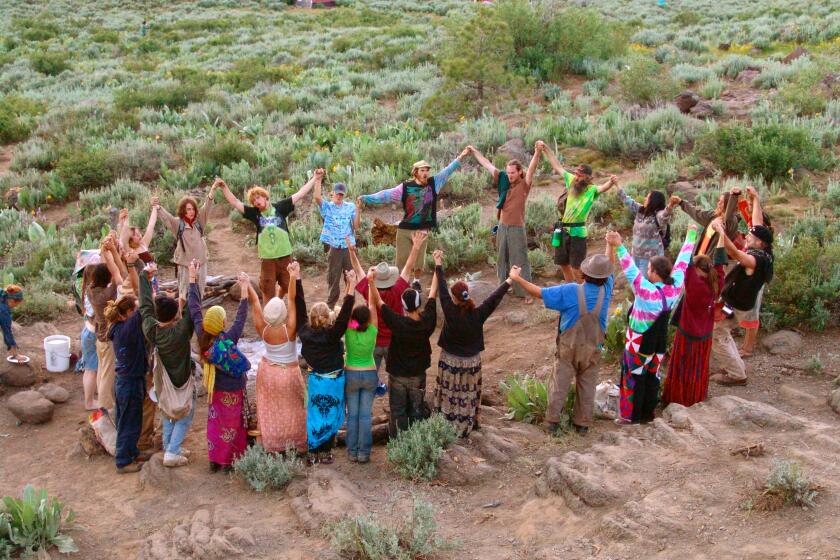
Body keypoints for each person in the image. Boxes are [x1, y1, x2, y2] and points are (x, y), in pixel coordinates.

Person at [509, 245, 615, 435]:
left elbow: (538, 292)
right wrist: (610, 246)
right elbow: (608, 265)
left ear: (584, 273)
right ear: (606, 277)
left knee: (560, 383)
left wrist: (517, 278)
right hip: (593, 348)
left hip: (569, 348)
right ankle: (582, 425)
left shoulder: (571, 291)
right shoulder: (606, 290)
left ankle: (552, 422)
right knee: (588, 385)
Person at [609, 225, 698, 424]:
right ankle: (648, 414)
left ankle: (628, 416)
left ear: (656, 273)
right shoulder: (675, 287)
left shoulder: (646, 291)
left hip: (638, 342)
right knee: (652, 377)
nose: (646, 272)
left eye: (649, 269)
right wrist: (690, 235)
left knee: (632, 377)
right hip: (659, 342)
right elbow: (683, 261)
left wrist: (619, 246)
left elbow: (630, 270)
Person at [359, 149, 470, 286]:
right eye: (422, 170)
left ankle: (416, 282)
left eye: (427, 170)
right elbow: (386, 195)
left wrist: (462, 156)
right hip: (405, 230)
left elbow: (448, 170)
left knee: (419, 261)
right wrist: (366, 198)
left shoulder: (434, 183)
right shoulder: (405, 188)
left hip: (422, 230)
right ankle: (400, 285)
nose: (425, 173)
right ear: (416, 172)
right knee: (401, 261)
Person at [432, 250, 510, 437]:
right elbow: (494, 299)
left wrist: (438, 263)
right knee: (467, 394)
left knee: (450, 391)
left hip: (450, 361)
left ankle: (446, 424)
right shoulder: (478, 314)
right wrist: (509, 281)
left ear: (454, 298)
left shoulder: (450, 310)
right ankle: (466, 425)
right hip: (472, 362)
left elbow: (441, 288)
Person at [219, 171, 321, 304]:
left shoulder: (280, 207)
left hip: (285, 256)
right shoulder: (254, 214)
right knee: (267, 289)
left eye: (258, 198)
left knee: (289, 286)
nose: (256, 201)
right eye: (253, 200)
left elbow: (300, 193)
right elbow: (235, 202)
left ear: (265, 197)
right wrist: (224, 187)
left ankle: (279, 300)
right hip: (268, 260)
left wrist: (314, 178)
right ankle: (269, 317)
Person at [709, 186, 773, 387]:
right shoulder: (765, 250)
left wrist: (721, 232)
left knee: (716, 332)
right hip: (738, 302)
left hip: (735, 305)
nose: (747, 236)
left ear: (759, 243)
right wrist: (756, 200)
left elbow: (736, 254)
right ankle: (735, 366)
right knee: (722, 331)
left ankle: (736, 373)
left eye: (751, 237)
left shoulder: (755, 259)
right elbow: (757, 223)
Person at [189, 265, 251, 473]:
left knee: (217, 424)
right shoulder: (228, 340)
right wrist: (244, 289)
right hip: (234, 389)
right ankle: (230, 461)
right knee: (234, 424)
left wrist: (192, 279)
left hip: (215, 389)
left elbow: (194, 308)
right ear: (222, 323)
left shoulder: (203, 338)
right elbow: (241, 317)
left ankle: (215, 460)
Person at [295, 269, 357, 464]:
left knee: (315, 414)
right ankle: (326, 452)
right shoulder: (332, 335)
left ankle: (313, 450)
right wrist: (351, 286)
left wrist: (297, 278)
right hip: (335, 382)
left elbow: (299, 308)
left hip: (316, 381)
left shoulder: (304, 333)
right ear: (327, 318)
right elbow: (345, 314)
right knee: (331, 413)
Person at [467, 143, 542, 302]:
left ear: (519, 172)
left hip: (516, 227)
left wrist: (537, 152)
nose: (510, 175)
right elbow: (486, 164)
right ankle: (503, 287)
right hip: (502, 226)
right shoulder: (502, 179)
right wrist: (474, 151)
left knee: (519, 259)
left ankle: (525, 292)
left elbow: (532, 169)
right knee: (501, 258)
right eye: (508, 172)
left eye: (513, 173)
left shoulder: (524, 184)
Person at [138, 261, 195, 468]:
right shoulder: (180, 333)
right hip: (181, 379)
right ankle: (172, 451)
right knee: (184, 413)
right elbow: (192, 311)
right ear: (175, 316)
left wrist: (145, 277)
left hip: (162, 380)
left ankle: (169, 445)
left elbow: (145, 306)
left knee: (167, 412)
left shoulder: (152, 331)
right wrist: (193, 281)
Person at [370, 271, 439, 436]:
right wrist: (437, 267)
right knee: (417, 409)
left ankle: (398, 443)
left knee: (398, 411)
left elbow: (379, 302)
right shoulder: (427, 321)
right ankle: (416, 442)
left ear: (404, 306)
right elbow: (432, 295)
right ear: (418, 303)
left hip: (398, 375)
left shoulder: (397, 322)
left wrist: (371, 282)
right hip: (418, 375)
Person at [249, 262, 307, 454]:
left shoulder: (262, 329)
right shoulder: (289, 330)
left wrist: (246, 286)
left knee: (271, 409)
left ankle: (273, 443)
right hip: (288, 372)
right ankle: (296, 443)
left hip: (268, 373)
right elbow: (291, 299)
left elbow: (255, 303)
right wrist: (293, 276)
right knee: (293, 409)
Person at [348, 231, 426, 373]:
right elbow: (409, 267)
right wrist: (416, 247)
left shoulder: (369, 290)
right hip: (394, 340)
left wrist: (351, 252)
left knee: (371, 371)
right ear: (391, 277)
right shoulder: (398, 289)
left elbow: (357, 269)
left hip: (374, 341)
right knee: (396, 372)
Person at [662, 236, 726, 407]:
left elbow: (686, 263)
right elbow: (720, 264)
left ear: (697, 269)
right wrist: (721, 234)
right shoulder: (716, 283)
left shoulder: (695, 285)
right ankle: (696, 398)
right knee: (698, 370)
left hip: (687, 336)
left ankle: (678, 400)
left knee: (683, 370)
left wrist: (691, 236)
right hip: (705, 336)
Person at [541, 143, 618, 283]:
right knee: (563, 264)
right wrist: (547, 149)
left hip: (578, 233)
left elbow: (603, 188)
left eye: (580, 175)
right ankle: (572, 289)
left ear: (588, 178)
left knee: (577, 267)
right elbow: (557, 166)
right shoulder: (571, 181)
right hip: (562, 229)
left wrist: (611, 182)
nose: (576, 177)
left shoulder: (591, 190)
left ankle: (583, 291)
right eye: (576, 174)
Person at [105, 253, 150, 474]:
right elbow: (143, 299)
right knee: (129, 420)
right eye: (133, 310)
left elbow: (139, 301)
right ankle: (123, 460)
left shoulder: (118, 327)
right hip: (129, 381)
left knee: (130, 418)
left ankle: (131, 451)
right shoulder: (128, 328)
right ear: (127, 314)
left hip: (127, 379)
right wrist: (133, 268)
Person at [156, 181, 217, 306]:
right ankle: (181, 317)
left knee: (199, 294)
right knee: (184, 294)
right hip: (185, 265)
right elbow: (166, 218)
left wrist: (213, 190)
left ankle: (195, 318)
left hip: (201, 263)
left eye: (193, 209)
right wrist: (157, 207)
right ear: (183, 210)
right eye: (188, 209)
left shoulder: (199, 223)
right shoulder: (178, 224)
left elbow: (207, 207)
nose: (192, 211)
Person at [344, 268, 380, 463]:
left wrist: (350, 284)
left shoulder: (349, 331)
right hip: (369, 374)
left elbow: (347, 311)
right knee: (365, 416)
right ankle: (364, 453)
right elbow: (373, 305)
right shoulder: (372, 330)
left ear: (353, 320)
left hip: (351, 374)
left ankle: (351, 451)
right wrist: (371, 282)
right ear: (367, 319)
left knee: (353, 416)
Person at [89, 236, 126, 412]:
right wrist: (112, 254)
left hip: (99, 337)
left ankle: (102, 401)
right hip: (108, 337)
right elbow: (119, 280)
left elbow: (104, 272)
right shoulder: (106, 295)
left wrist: (105, 253)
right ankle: (106, 406)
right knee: (108, 374)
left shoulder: (92, 291)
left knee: (102, 370)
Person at [315, 179, 360, 309]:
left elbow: (356, 226)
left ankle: (349, 307)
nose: (339, 196)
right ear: (332, 193)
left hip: (349, 248)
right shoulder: (327, 207)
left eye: (342, 194)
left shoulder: (350, 207)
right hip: (334, 247)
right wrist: (318, 180)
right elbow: (317, 197)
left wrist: (358, 209)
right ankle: (330, 308)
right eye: (337, 193)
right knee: (333, 279)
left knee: (350, 278)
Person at [617, 188, 679, 273]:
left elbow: (665, 215)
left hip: (649, 260)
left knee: (645, 284)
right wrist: (616, 185)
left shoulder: (658, 215)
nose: (645, 199)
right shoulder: (641, 210)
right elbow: (628, 201)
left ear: (654, 201)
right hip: (635, 254)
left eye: (648, 197)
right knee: (635, 282)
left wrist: (671, 204)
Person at [670, 187, 741, 257]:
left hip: (713, 260)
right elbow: (696, 213)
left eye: (722, 202)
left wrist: (734, 197)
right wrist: (681, 202)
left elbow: (729, 215)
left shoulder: (731, 221)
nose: (719, 203)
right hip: (700, 256)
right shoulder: (713, 215)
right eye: (719, 200)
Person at [78, 265, 99, 410]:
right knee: (91, 369)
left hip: (87, 331)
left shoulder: (86, 290)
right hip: (93, 334)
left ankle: (90, 399)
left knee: (90, 368)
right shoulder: (96, 293)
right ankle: (89, 402)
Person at [0, 284, 23, 361]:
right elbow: (7, 332)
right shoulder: (3, 310)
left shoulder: (3, 294)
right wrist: (15, 355)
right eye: (16, 304)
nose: (15, 307)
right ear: (12, 300)